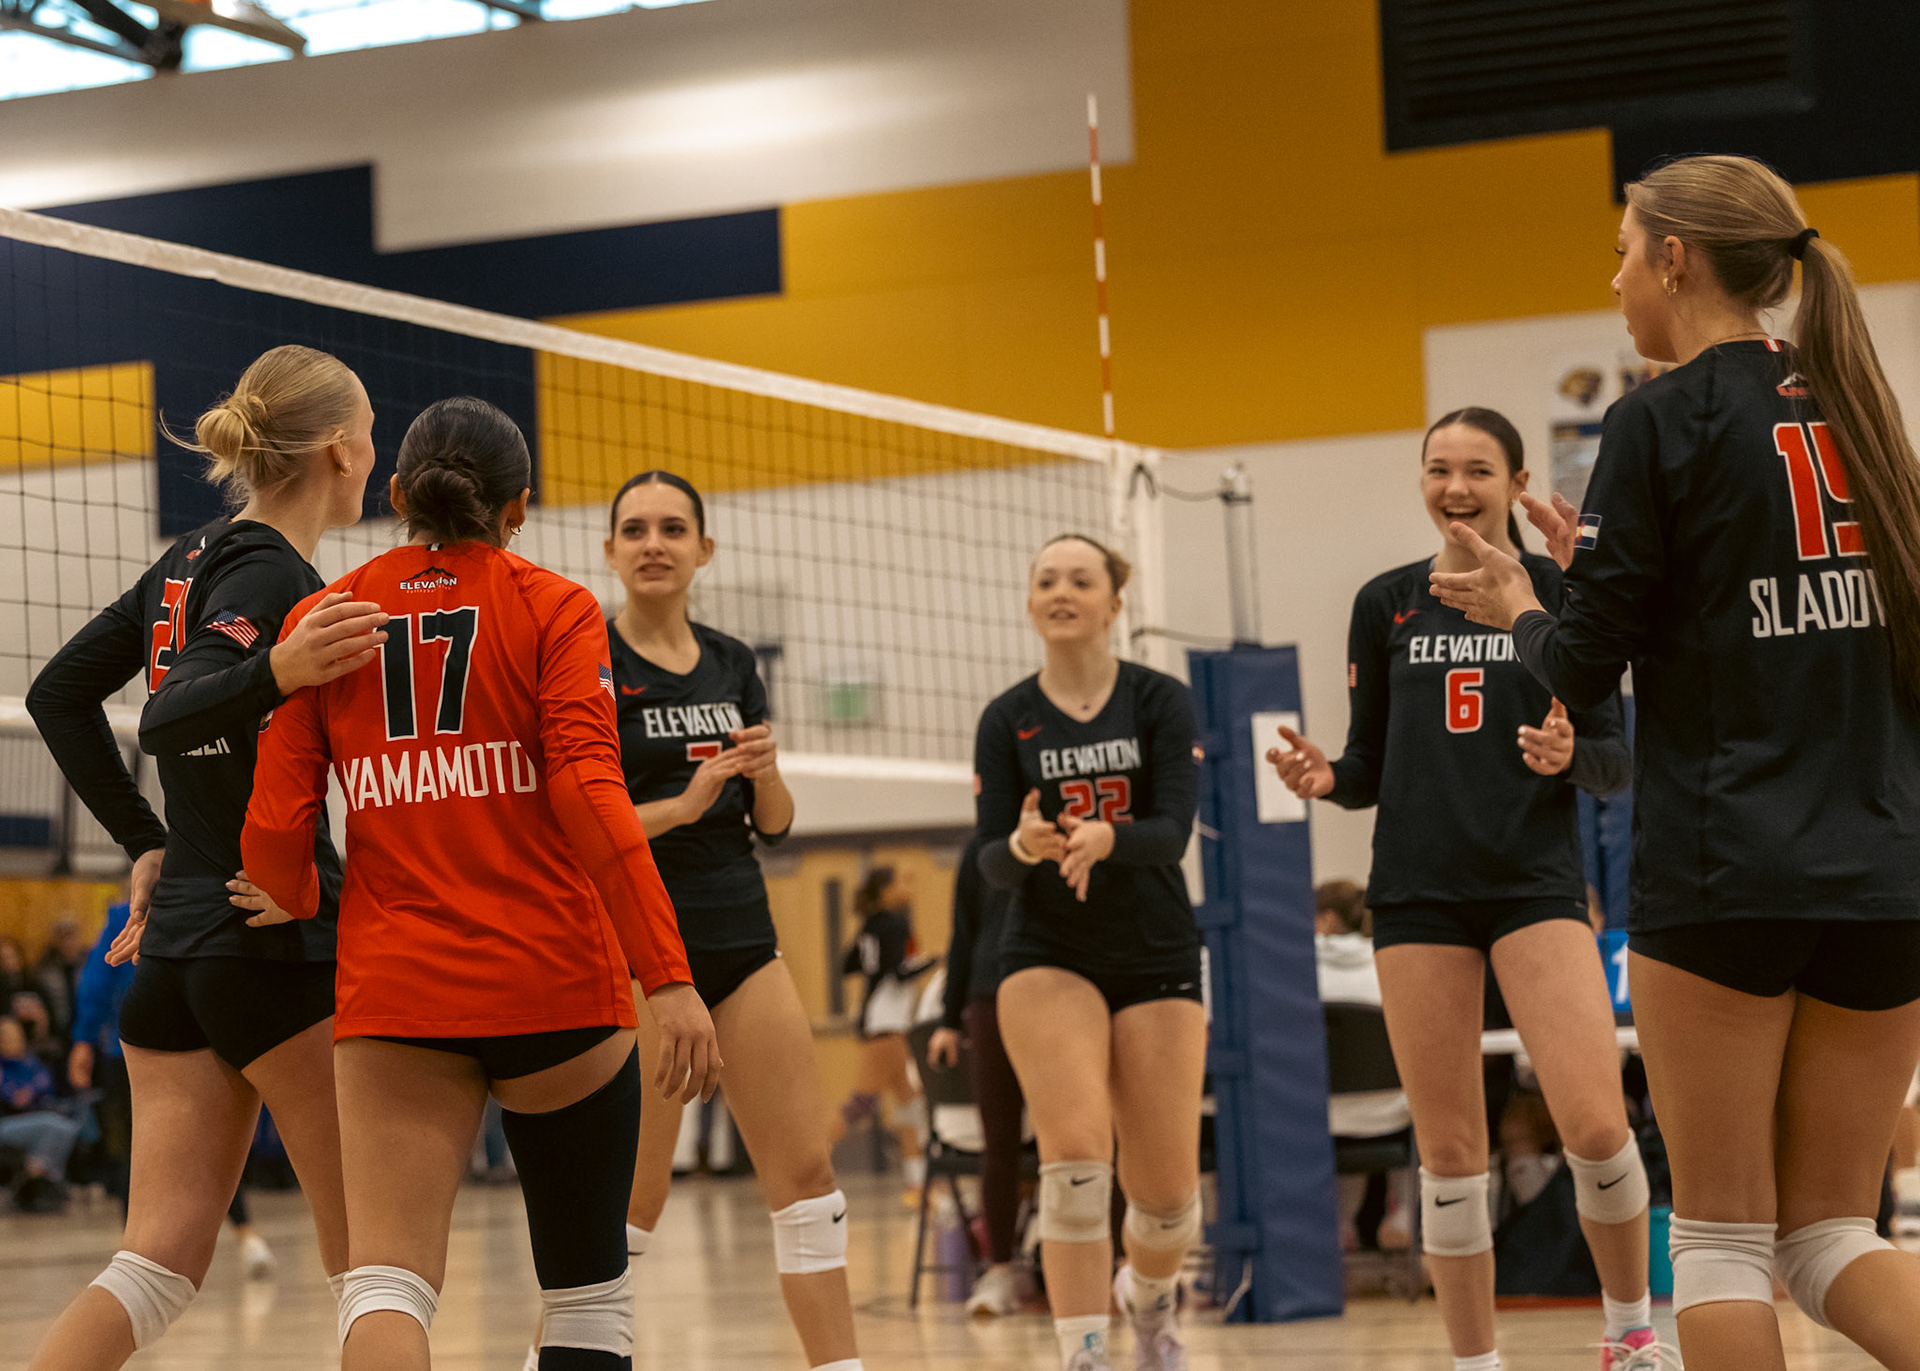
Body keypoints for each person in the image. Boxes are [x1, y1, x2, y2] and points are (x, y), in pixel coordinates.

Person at [1431, 153, 1920, 1371]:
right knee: (1831, 1237)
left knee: (1719, 1245)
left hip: (1726, 868)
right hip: (1885, 872)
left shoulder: (1656, 416)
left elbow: (1580, 671)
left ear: (1675, 257)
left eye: (1621, 252)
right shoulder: (1857, 403)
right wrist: (1592, 571)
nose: (1614, 282)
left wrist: (1521, 607)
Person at [240, 396, 721, 1371]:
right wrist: (667, 976)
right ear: (520, 507)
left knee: (385, 1283)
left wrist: (298, 892)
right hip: (555, 981)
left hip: (398, 991)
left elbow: (278, 837)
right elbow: (592, 797)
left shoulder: (323, 619)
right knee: (587, 1298)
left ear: (397, 493)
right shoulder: (555, 607)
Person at [1268, 408, 1660, 1371]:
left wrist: (1570, 755)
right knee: (1448, 1155)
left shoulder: (1563, 592)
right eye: (1438, 468)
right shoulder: (1386, 602)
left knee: (1598, 1127)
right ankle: (1474, 1362)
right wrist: (1327, 777)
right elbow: (1368, 764)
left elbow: (1614, 763)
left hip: (1535, 885)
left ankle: (1631, 1336)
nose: (1456, 487)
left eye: (1479, 469)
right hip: (1417, 896)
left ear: (1518, 483)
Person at [25, 344, 384, 1370]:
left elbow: (58, 694)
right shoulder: (271, 572)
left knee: (154, 1266)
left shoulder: (187, 558)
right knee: (376, 1265)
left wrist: (145, 842)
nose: (375, 455)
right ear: (340, 449)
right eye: (370, 435)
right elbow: (170, 715)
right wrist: (278, 668)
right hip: (271, 948)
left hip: (177, 955)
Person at [585, 467, 863, 1371]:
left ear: (704, 549)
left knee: (808, 1181)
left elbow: (773, 826)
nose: (653, 544)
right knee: (633, 1201)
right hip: (638, 948)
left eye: (673, 528)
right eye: (635, 529)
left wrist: (767, 773)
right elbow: (573, 824)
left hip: (742, 936)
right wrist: (684, 803)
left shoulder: (734, 661)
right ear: (610, 550)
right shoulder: (590, 660)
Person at [974, 533, 1206, 1371]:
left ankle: (1150, 1300)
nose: (1062, 591)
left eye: (1081, 579)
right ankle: (1084, 1353)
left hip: (1154, 948)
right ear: (1030, 604)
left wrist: (1110, 837)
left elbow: (1173, 832)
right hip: (1048, 949)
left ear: (1114, 603)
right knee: (1073, 1158)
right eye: (1047, 580)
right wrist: (1026, 843)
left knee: (1168, 1200)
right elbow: (990, 859)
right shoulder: (1006, 717)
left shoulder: (1159, 699)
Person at [929, 831, 1028, 1316]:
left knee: (1081, 1141)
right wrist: (949, 1020)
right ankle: (1000, 1268)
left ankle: (1111, 1266)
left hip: (1061, 990)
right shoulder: (981, 847)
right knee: (999, 1139)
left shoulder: (1072, 828)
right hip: (990, 995)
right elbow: (963, 934)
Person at [1312, 880, 1412, 1252]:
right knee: (1419, 1100)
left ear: (1325, 919)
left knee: (1340, 1109)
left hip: (1312, 1115)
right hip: (1391, 1114)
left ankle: (1339, 1223)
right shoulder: (1394, 966)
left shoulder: (1293, 975)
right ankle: (1402, 1212)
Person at [838, 865, 936, 1198]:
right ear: (885, 890)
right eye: (901, 882)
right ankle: (810, 1158)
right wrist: (933, 962)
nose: (908, 887)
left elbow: (848, 964)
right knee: (862, 1103)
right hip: (888, 1026)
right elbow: (899, 973)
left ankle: (917, 1183)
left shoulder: (870, 925)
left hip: (881, 1021)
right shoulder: (894, 924)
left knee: (909, 1104)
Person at [1, 1015, 83, 1202]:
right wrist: (15, 1096)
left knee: (66, 1128)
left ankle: (42, 1174)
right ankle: (43, 1176)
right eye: (6, 1037)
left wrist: (30, 1093)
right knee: (53, 1126)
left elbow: (45, 1083)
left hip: (33, 1117)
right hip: (6, 1122)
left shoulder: (30, 1062)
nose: (12, 1041)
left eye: (15, 1036)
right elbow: (13, 1097)